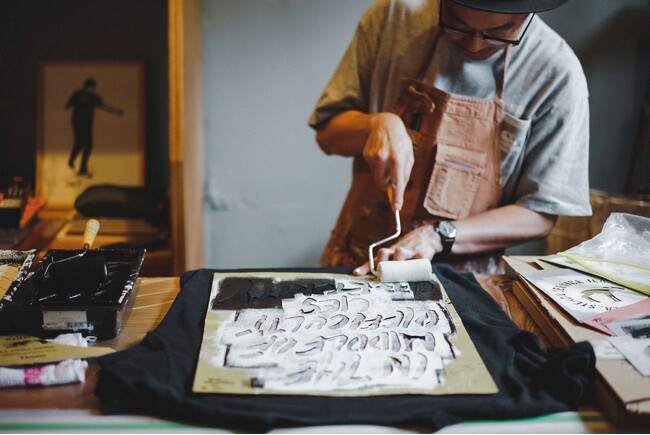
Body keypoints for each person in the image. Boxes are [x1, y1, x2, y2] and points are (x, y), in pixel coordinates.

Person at [309, 0, 591, 275]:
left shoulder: (556, 73)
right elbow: (327, 135)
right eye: (457, 24)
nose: (475, 45)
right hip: (358, 258)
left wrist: (437, 236)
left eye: (498, 33)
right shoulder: (393, 17)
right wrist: (373, 125)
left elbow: (539, 214)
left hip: (465, 278)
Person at [65, 78, 124, 176]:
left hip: (80, 123)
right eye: (92, 87)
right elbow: (104, 106)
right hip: (83, 123)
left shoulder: (78, 94)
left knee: (81, 143)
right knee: (85, 144)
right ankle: (80, 167)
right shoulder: (92, 96)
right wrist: (116, 111)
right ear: (90, 87)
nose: (93, 89)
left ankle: (75, 163)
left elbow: (67, 106)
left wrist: (116, 111)